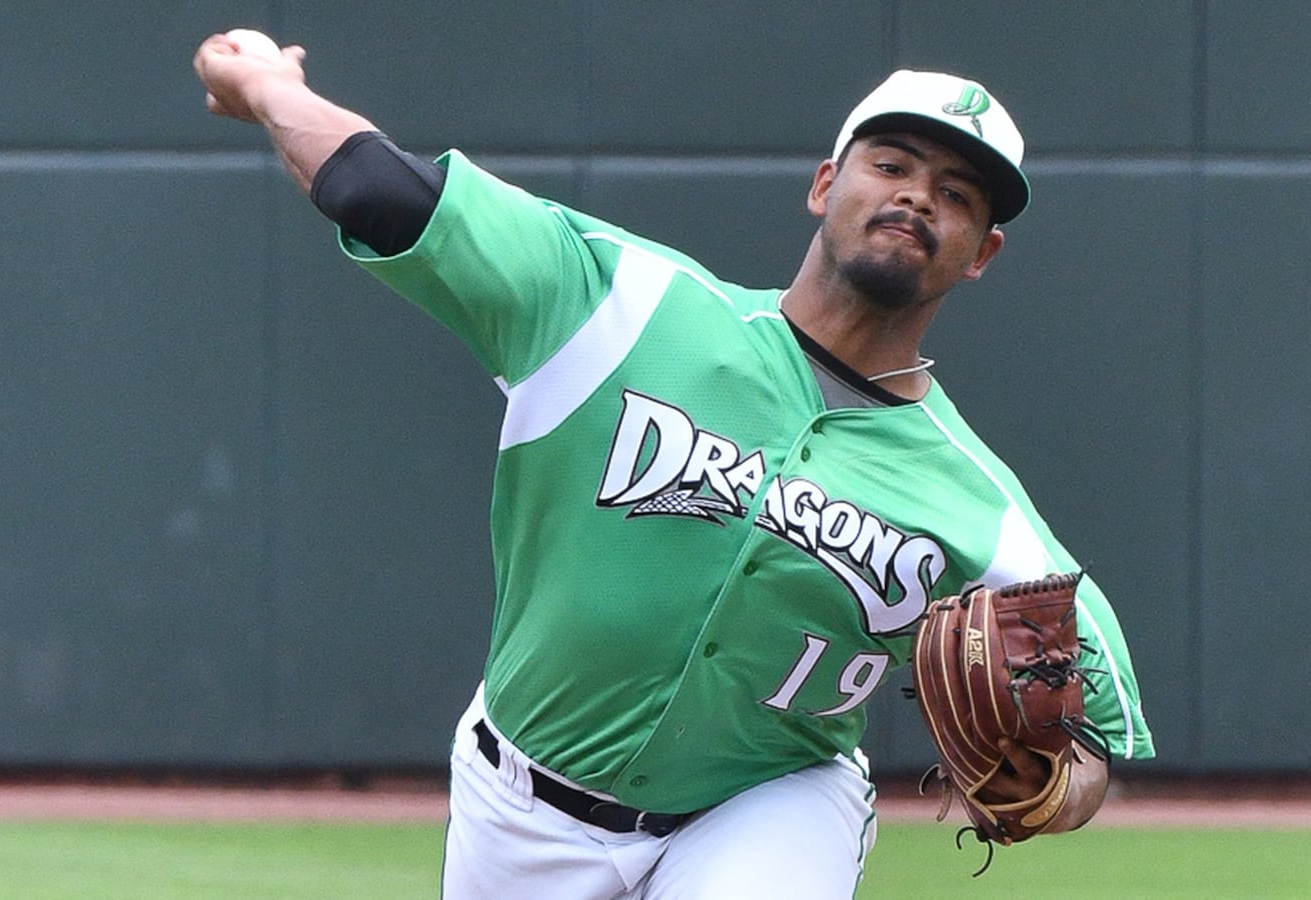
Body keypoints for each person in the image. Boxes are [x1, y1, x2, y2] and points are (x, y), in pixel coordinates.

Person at [194, 31, 1153, 899]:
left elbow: (1095, 740)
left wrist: (1051, 790)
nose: (916, 197)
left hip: (771, 801)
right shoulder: (624, 304)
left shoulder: (976, 505)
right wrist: (269, 84)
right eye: (893, 165)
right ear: (826, 185)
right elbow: (383, 191)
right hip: (522, 800)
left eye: (956, 194)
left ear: (981, 253)